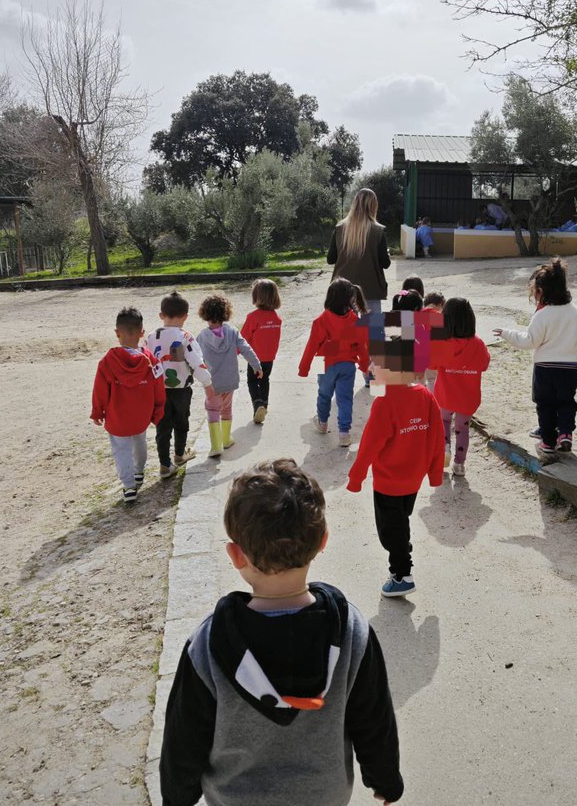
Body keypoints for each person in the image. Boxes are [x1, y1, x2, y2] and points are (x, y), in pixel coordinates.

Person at [159, 458, 404, 806]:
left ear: (235, 555)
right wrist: (385, 780)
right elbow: (374, 720)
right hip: (324, 796)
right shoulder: (351, 632)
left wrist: (176, 798)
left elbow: (184, 740)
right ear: (323, 541)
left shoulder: (209, 645)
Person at [348, 295, 445, 598]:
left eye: (376, 365)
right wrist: (434, 473)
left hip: (389, 482)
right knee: (399, 522)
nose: (372, 369)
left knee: (389, 532)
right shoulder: (425, 396)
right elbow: (436, 436)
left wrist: (355, 477)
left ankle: (402, 574)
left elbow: (369, 446)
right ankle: (402, 553)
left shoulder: (385, 403)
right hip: (413, 478)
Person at [493, 258, 577, 455]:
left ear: (541, 291)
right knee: (566, 402)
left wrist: (507, 333)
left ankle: (547, 441)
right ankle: (565, 433)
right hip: (570, 368)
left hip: (545, 368)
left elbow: (529, 341)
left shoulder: (543, 315)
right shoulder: (576, 313)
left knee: (545, 404)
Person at [90, 307, 165, 505]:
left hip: (117, 417)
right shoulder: (151, 360)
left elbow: (100, 390)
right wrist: (158, 411)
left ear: (117, 333)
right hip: (141, 415)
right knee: (140, 441)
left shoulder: (107, 362)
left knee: (121, 450)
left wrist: (97, 411)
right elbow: (159, 388)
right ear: (142, 333)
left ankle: (129, 485)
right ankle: (139, 471)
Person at [147, 291, 213, 478]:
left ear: (161, 315)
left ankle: (164, 465)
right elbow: (196, 361)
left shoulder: (151, 337)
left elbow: (146, 361)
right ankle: (179, 454)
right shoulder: (186, 337)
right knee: (181, 421)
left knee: (162, 426)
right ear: (185, 316)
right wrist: (207, 383)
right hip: (182, 390)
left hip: (159, 390)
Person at [299, 279, 370, 448]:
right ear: (350, 299)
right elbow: (362, 347)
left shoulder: (321, 321)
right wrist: (365, 366)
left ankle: (322, 423)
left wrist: (304, 368)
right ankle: (344, 434)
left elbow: (311, 347)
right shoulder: (356, 321)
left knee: (324, 394)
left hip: (325, 362)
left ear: (329, 296)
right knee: (345, 399)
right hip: (347, 364)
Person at [429, 297, 490, 476]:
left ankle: (445, 449)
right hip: (467, 397)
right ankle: (460, 464)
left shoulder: (442, 343)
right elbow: (484, 364)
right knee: (462, 428)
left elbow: (431, 365)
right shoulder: (478, 344)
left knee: (444, 422)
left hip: (445, 396)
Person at [197, 295, 262, 459]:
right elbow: (246, 349)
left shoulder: (202, 337)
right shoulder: (232, 332)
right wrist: (257, 365)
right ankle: (226, 439)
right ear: (225, 313)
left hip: (212, 383)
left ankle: (216, 445)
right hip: (230, 380)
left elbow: (195, 358)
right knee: (226, 409)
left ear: (204, 313)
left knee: (213, 411)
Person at [328, 188, 390, 305]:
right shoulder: (379, 230)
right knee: (372, 323)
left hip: (342, 290)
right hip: (371, 290)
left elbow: (330, 259)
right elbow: (385, 264)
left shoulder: (339, 228)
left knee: (345, 323)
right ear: (373, 206)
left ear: (354, 204)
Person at [241, 279, 282, 425]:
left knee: (252, 381)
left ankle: (257, 405)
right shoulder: (276, 317)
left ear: (256, 296)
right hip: (269, 357)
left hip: (255, 358)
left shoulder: (253, 317)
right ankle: (264, 404)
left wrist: (235, 351)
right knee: (265, 380)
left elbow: (243, 337)